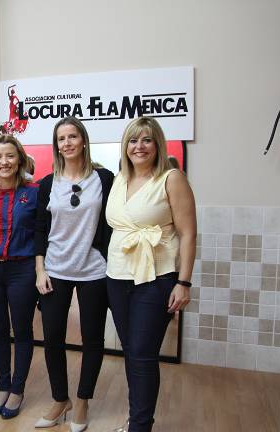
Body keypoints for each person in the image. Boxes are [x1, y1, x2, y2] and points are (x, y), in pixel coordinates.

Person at [106, 117, 195, 432]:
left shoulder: (171, 178)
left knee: (143, 354)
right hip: (117, 276)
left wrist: (183, 282)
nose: (139, 146)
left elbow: (188, 233)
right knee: (131, 353)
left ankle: (140, 426)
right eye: (133, 140)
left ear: (158, 144)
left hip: (157, 278)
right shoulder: (120, 178)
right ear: (125, 146)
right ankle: (136, 419)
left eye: (146, 140)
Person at [34, 116, 114, 431]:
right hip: (55, 269)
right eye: (61, 138)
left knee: (92, 339)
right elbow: (40, 229)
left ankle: (82, 401)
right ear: (56, 145)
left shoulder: (104, 179)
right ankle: (60, 399)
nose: (66, 143)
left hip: (94, 270)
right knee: (53, 338)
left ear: (83, 140)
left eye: (72, 136)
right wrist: (40, 269)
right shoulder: (47, 183)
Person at [0, 135, 39, 419]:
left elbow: (42, 232)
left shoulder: (34, 192)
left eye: (10, 156)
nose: (4, 162)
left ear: (20, 159)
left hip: (22, 269)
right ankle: (3, 386)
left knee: (22, 330)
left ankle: (17, 389)